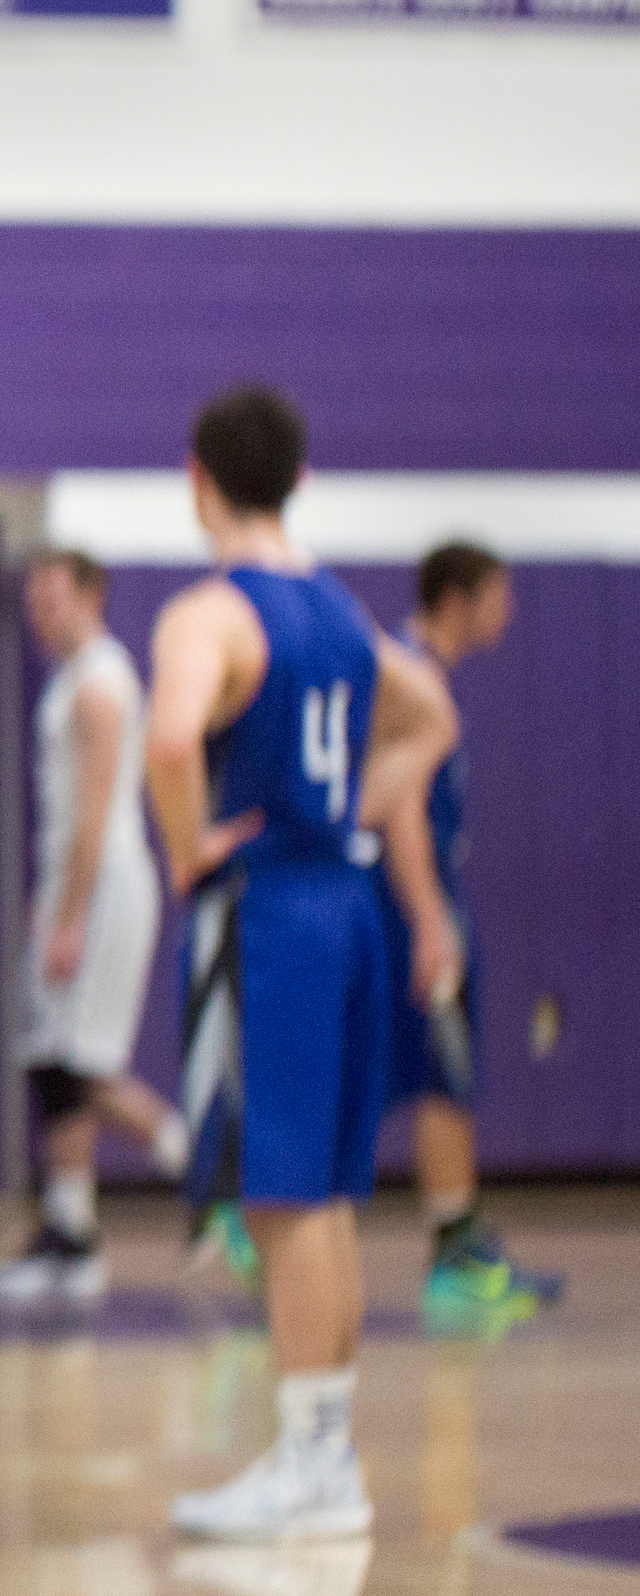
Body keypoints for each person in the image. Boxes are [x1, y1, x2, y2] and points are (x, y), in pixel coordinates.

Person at [149, 386, 455, 1542]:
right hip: (348, 902)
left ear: (195, 478)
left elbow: (172, 736)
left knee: (278, 1194)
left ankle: (309, 1460)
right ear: (300, 478)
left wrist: (186, 847)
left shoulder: (209, 616)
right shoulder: (338, 611)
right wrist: (349, 813)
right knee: (318, 1193)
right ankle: (318, 1449)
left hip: (271, 907)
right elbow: (430, 719)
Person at [0, 550, 187, 1306]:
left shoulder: (101, 681)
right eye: (34, 601)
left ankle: (196, 1157)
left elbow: (95, 810)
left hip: (103, 888)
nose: (42, 614)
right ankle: (70, 1225)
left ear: (92, 595)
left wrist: (67, 915)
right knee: (53, 1061)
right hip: (76, 885)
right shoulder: (72, 679)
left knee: (80, 1062)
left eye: (55, 599)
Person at [375, 542, 562, 1319]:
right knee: (441, 1072)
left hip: (423, 895)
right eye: (497, 593)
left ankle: (456, 1233)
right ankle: (453, 1252)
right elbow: (402, 809)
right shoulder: (411, 676)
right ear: (457, 597)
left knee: (436, 1073)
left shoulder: (421, 671)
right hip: (414, 900)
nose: (507, 611)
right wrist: (428, 920)